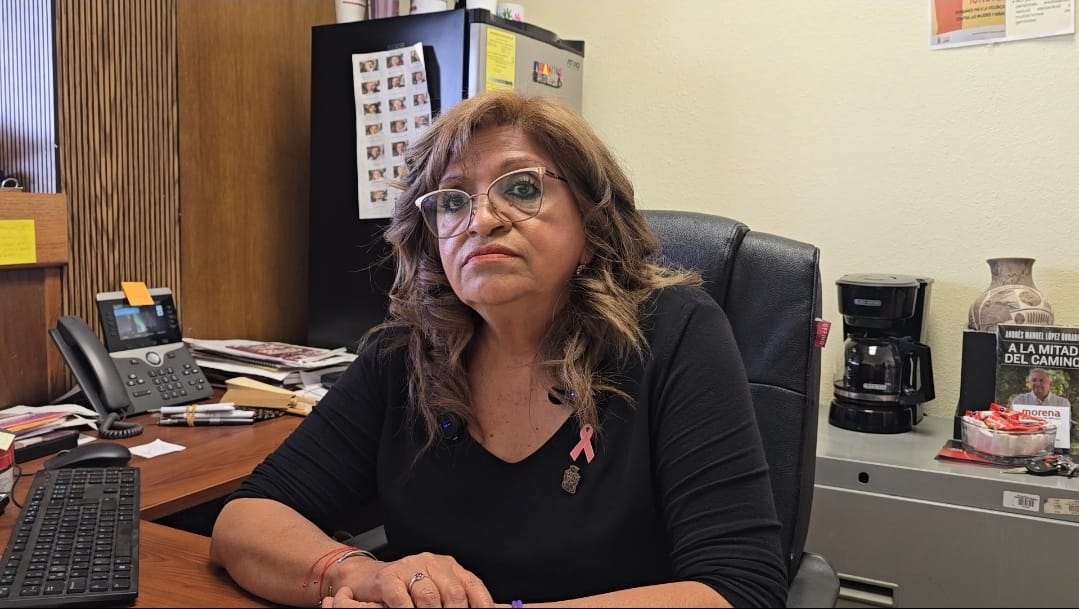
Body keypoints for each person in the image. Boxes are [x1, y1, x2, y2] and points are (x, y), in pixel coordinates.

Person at [209, 91, 787, 608]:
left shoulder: (674, 332)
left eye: (521, 188)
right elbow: (246, 520)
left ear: (592, 229)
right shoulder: (403, 353)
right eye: (452, 201)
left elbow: (739, 588)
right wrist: (357, 574)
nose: (481, 220)